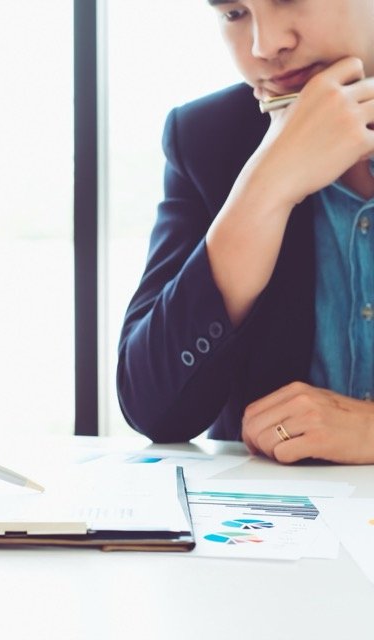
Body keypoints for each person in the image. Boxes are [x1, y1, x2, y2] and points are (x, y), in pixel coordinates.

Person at [117, 0, 374, 464]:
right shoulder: (206, 136)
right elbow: (154, 411)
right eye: (234, 13)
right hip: (279, 526)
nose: (264, 44)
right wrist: (265, 187)